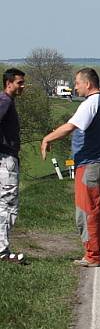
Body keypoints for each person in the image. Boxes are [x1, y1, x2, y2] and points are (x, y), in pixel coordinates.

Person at [41, 68, 100, 267]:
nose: (75, 87)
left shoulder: (90, 104)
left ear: (88, 83)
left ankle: (92, 255)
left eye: (77, 83)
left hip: (90, 163)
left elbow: (70, 127)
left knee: (87, 209)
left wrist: (47, 138)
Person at [0, 68, 25, 264]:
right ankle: (2, 251)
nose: (22, 86)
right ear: (9, 83)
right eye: (20, 83)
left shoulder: (7, 102)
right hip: (6, 159)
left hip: (8, 157)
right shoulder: (5, 101)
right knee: (8, 205)